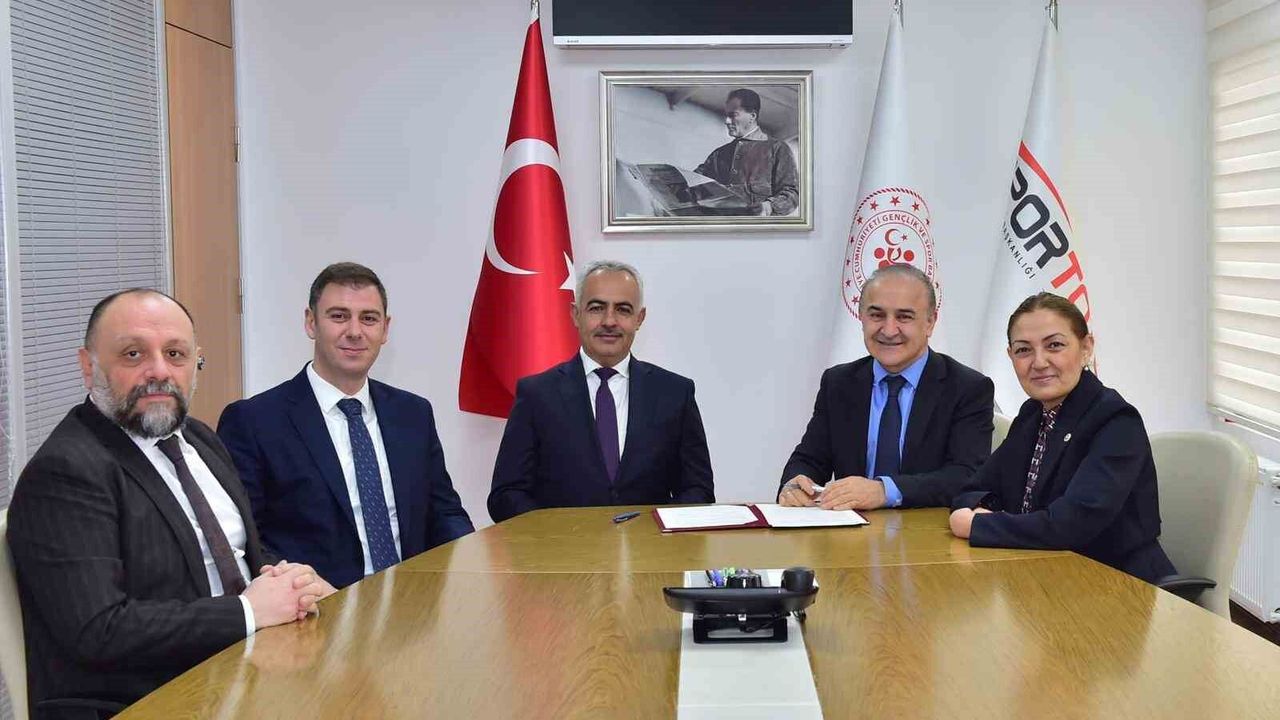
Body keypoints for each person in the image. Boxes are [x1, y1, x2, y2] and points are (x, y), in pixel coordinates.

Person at [6, 289, 334, 718]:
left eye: (175, 354)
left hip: (245, 672)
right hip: (145, 701)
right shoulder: (65, 471)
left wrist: (292, 581)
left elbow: (237, 554)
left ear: (196, 363)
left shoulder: (198, 438)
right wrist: (247, 611)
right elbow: (97, 630)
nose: (159, 371)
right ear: (88, 366)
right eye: (133, 354)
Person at [217, 263, 473, 589]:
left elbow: (444, 512)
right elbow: (246, 539)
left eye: (369, 318)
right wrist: (304, 588)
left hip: (412, 601)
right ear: (311, 322)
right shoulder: (254, 421)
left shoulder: (413, 414)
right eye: (338, 316)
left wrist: (474, 567)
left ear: (385, 329)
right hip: (315, 607)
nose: (354, 331)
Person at [949, 292, 1176, 583]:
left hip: (1119, 585)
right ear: (1011, 357)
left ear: (1086, 348)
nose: (1039, 362)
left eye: (1054, 345)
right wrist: (979, 509)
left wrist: (979, 525)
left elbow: (1072, 524)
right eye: (1023, 350)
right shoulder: (1033, 414)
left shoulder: (1116, 421)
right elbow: (973, 488)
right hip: (1044, 576)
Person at [488, 260, 714, 522]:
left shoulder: (675, 393)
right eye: (596, 308)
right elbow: (506, 495)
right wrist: (559, 532)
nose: (609, 321)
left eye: (623, 310)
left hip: (649, 546)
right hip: (563, 546)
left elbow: (698, 491)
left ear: (639, 318)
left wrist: (653, 528)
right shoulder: (536, 395)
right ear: (576, 314)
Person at [779, 264, 994, 510]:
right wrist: (795, 484)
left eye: (904, 317)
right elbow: (809, 459)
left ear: (930, 322)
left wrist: (884, 491)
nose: (889, 330)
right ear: (861, 318)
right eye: (877, 315)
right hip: (851, 528)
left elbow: (966, 476)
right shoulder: (839, 383)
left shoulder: (968, 388)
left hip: (928, 529)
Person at [694, 88, 799, 216]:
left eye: (733, 115)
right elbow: (694, 183)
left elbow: (792, 194)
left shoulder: (777, 149)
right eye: (726, 115)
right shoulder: (718, 155)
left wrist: (767, 207)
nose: (726, 121)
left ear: (752, 116)